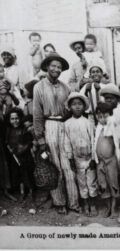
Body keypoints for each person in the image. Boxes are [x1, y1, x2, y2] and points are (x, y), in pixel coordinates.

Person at [32, 53, 76, 215]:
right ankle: (59, 202)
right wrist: (41, 139)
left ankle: (74, 201)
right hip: (49, 125)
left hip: (64, 126)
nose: (56, 69)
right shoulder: (39, 87)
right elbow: (36, 114)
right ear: (47, 67)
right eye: (53, 66)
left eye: (59, 67)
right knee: (54, 165)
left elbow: (70, 108)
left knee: (68, 165)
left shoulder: (65, 87)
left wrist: (68, 117)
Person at [63, 92, 97, 216]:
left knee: (91, 182)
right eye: (74, 104)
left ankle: (93, 204)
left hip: (89, 157)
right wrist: (70, 157)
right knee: (81, 182)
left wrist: (94, 158)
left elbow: (93, 140)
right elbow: (66, 142)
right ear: (70, 107)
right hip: (77, 158)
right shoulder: (67, 124)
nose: (77, 107)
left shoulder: (88, 122)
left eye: (79, 104)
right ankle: (86, 203)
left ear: (83, 107)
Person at [93, 102, 120, 217]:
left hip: (111, 162)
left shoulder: (112, 127)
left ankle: (114, 208)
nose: (102, 119)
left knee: (113, 184)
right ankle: (108, 207)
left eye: (105, 116)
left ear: (110, 115)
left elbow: (117, 143)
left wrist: (110, 120)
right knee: (103, 185)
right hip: (100, 162)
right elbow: (94, 143)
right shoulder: (98, 128)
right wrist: (94, 158)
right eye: (99, 117)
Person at [6, 107, 34, 199]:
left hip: (24, 155)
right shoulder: (8, 130)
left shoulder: (23, 129)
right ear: (9, 120)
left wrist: (21, 150)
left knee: (26, 172)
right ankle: (21, 191)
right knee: (17, 173)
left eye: (17, 118)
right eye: (12, 119)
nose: (15, 121)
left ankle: (30, 191)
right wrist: (10, 148)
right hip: (14, 156)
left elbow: (28, 141)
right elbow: (7, 142)